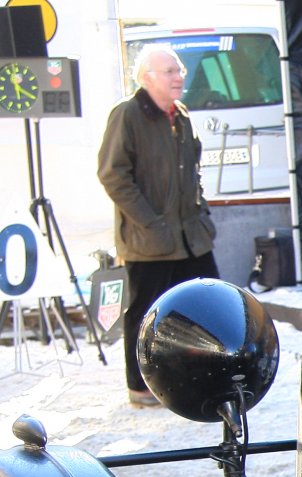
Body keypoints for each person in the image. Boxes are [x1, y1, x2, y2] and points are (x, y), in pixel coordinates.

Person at [97, 44, 219, 408]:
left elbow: (193, 171)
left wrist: (202, 213)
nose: (179, 76)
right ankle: (140, 387)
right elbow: (113, 176)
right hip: (148, 241)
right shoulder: (127, 114)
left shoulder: (181, 115)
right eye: (169, 71)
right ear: (146, 77)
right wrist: (151, 223)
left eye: (179, 70)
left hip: (190, 237)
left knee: (207, 306)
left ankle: (201, 380)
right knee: (146, 314)